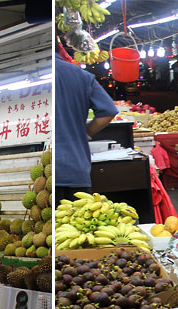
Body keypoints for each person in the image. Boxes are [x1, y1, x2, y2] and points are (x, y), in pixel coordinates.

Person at [55, 41, 118, 203]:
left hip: (45, 174)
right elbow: (109, 111)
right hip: (75, 169)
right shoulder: (81, 75)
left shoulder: (34, 75)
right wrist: (87, 132)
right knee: (75, 225)